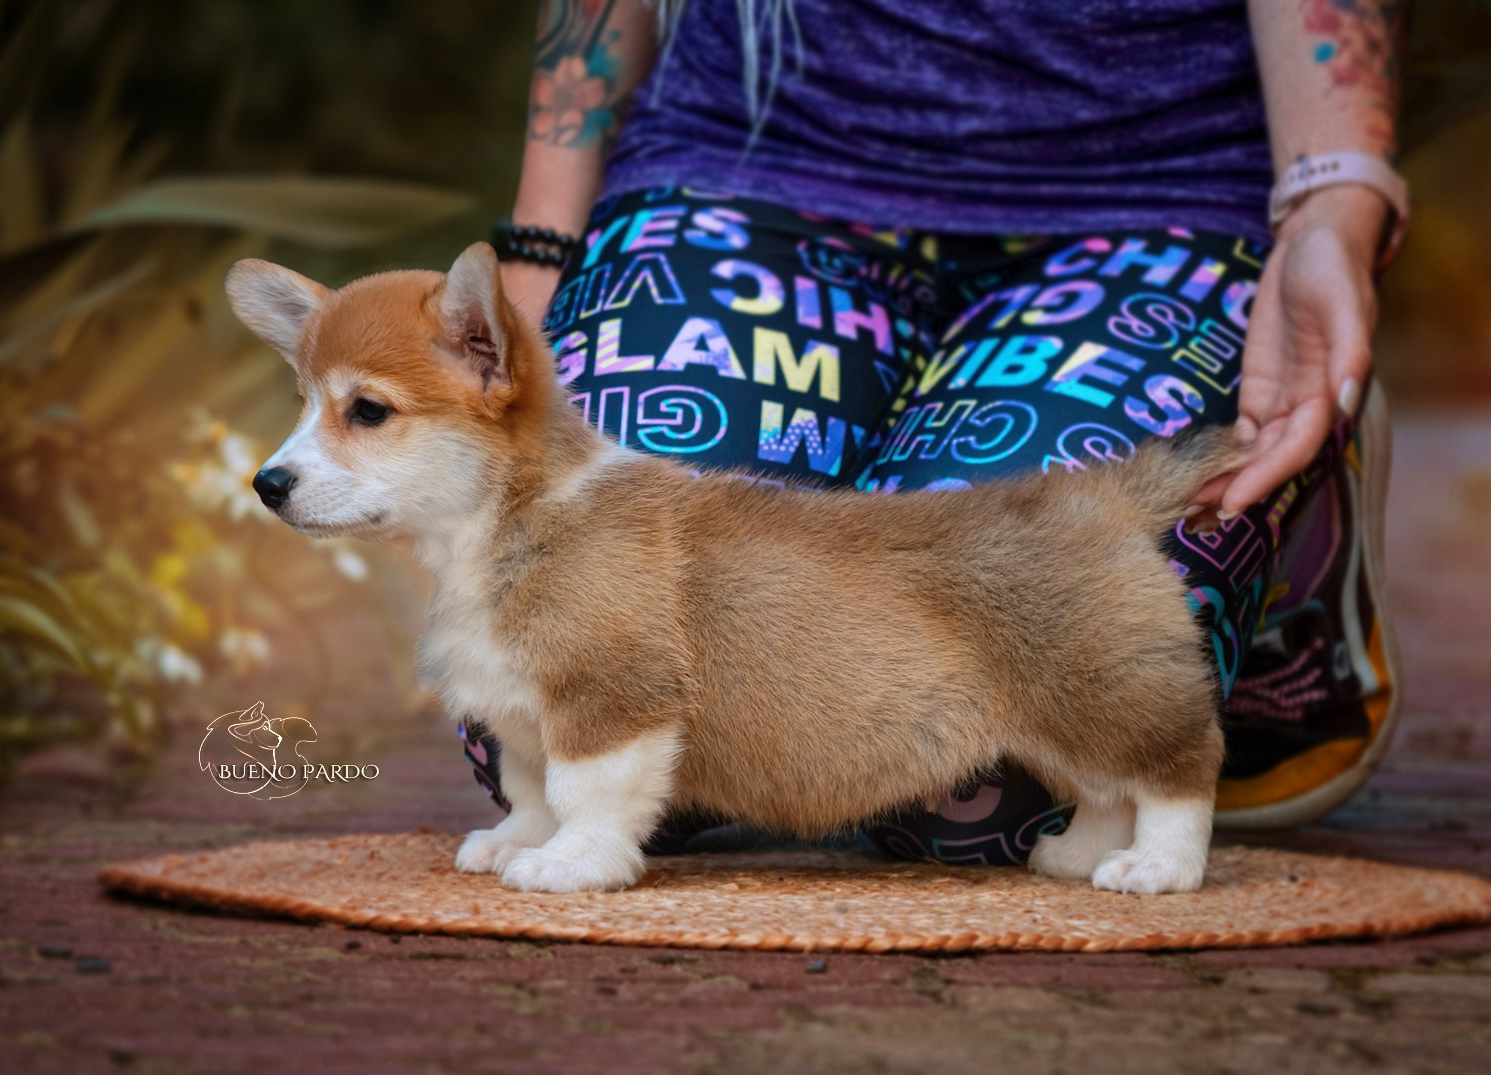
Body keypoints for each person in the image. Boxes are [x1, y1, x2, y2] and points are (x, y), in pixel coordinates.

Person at [459, 0, 1407, 865]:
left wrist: (1332, 207)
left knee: (990, 788)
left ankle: (1292, 544)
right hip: (745, 161)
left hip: (1159, 190)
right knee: (557, 676)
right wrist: (540, 250)